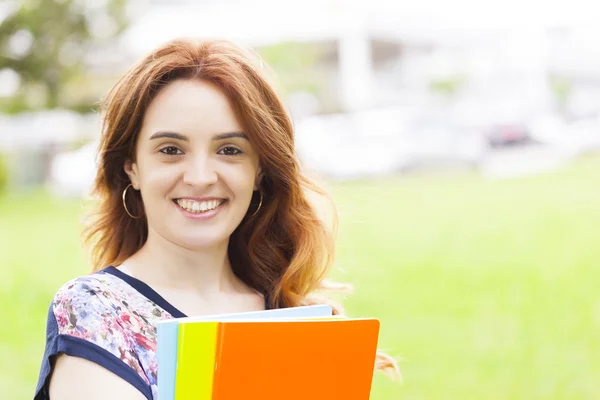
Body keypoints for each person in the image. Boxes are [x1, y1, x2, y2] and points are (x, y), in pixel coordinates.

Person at [34, 38, 399, 400]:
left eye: (229, 150)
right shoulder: (95, 311)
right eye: (171, 150)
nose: (200, 177)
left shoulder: (296, 318)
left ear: (260, 172)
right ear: (132, 168)